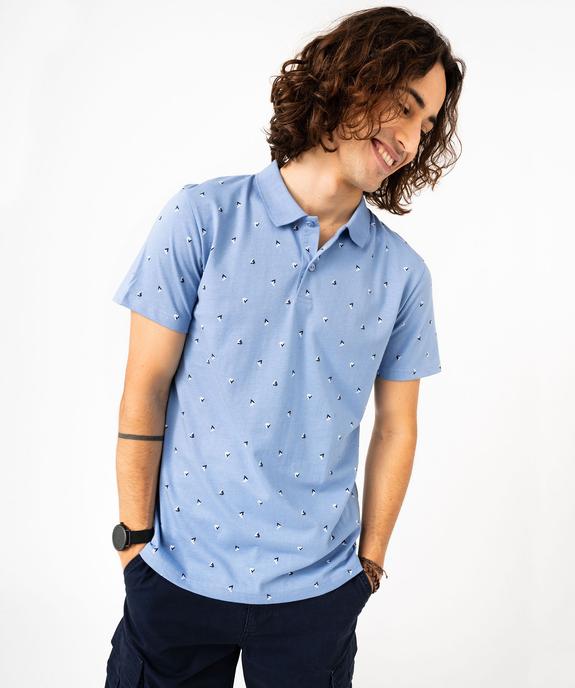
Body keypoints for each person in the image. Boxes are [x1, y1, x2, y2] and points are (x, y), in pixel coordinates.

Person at [105, 6, 465, 687]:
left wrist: (369, 566)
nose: (410, 140)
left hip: (318, 595)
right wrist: (134, 543)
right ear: (351, 80)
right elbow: (144, 387)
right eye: (404, 105)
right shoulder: (202, 218)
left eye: (426, 126)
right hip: (175, 577)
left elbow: (397, 426)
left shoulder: (402, 275)